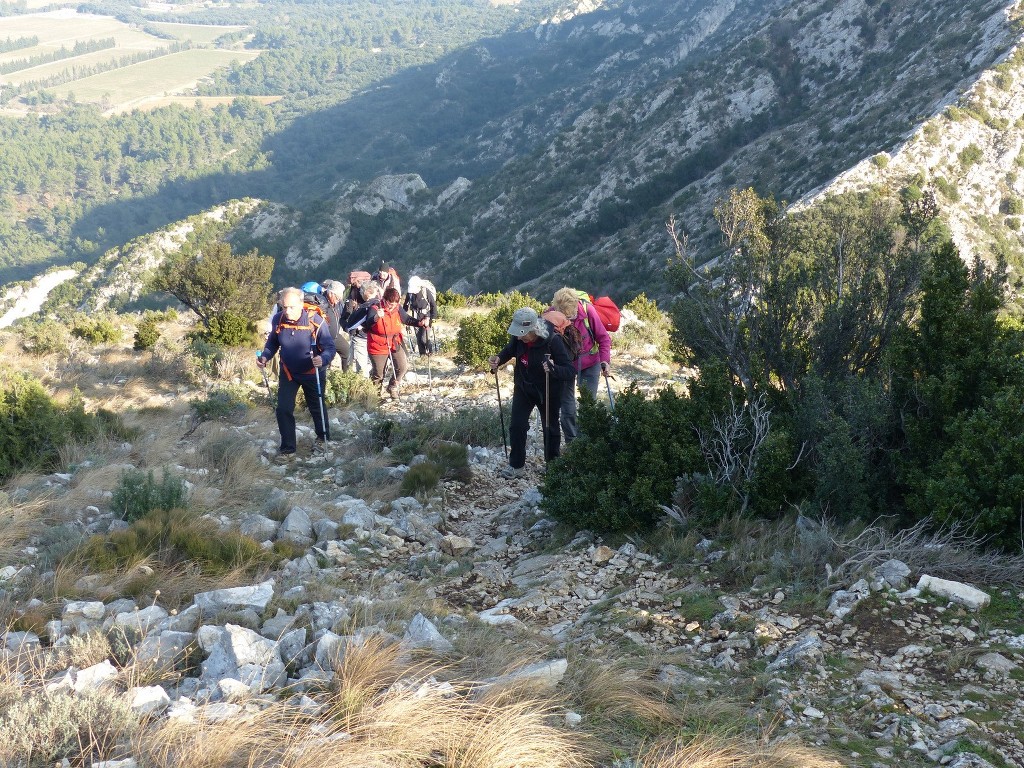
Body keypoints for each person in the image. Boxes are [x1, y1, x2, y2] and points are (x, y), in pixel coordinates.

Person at [488, 307, 574, 479]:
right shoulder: (518, 338)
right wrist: (499, 359)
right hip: (523, 387)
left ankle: (553, 466)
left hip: (548, 390)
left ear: (534, 329)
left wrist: (553, 368)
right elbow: (510, 350)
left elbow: (570, 370)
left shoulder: (552, 341)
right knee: (517, 426)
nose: (518, 337)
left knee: (550, 428)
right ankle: (516, 465)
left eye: (522, 333)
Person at [257, 286, 336, 461]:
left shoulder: (315, 320)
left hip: (312, 372)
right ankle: (288, 450)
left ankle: (323, 438)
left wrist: (323, 359)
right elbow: (272, 344)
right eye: (284, 307)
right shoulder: (278, 320)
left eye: (291, 307)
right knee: (283, 409)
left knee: (316, 407)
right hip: (289, 372)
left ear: (301, 304)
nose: (287, 311)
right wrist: (265, 356)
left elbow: (330, 347)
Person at [550, 287, 612, 443]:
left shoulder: (587, 310)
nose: (568, 320)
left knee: (587, 405)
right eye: (564, 317)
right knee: (567, 406)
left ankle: (585, 444)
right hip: (565, 365)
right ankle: (572, 443)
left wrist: (605, 361)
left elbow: (603, 338)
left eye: (570, 316)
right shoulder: (550, 314)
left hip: (590, 362)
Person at [367, 287, 424, 399]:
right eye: (390, 303)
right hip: (378, 345)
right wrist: (376, 317)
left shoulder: (397, 308)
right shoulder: (375, 308)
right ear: (384, 300)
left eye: (395, 303)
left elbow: (406, 319)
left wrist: (419, 323)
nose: (392, 306)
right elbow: (367, 324)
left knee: (402, 367)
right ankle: (375, 396)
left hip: (394, 342)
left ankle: (392, 386)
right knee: (379, 374)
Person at [346, 280, 379, 378]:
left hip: (361, 337)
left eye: (361, 292)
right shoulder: (380, 303)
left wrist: (350, 329)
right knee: (372, 363)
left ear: (367, 292)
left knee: (361, 366)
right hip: (375, 338)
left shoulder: (365, 307)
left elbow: (351, 324)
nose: (360, 293)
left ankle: (362, 388)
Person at [321, 279, 351, 372]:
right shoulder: (323, 303)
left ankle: (346, 377)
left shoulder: (334, 303)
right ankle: (322, 377)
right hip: (324, 338)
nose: (338, 301)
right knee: (325, 358)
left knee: (346, 349)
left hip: (335, 336)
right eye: (337, 298)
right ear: (331, 294)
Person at [403, 276, 437, 356]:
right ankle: (423, 356)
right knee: (418, 338)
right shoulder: (410, 293)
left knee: (424, 338)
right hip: (415, 317)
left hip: (426, 317)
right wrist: (403, 316)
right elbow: (406, 305)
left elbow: (433, 305)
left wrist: (433, 318)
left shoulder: (425, 291)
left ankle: (430, 353)